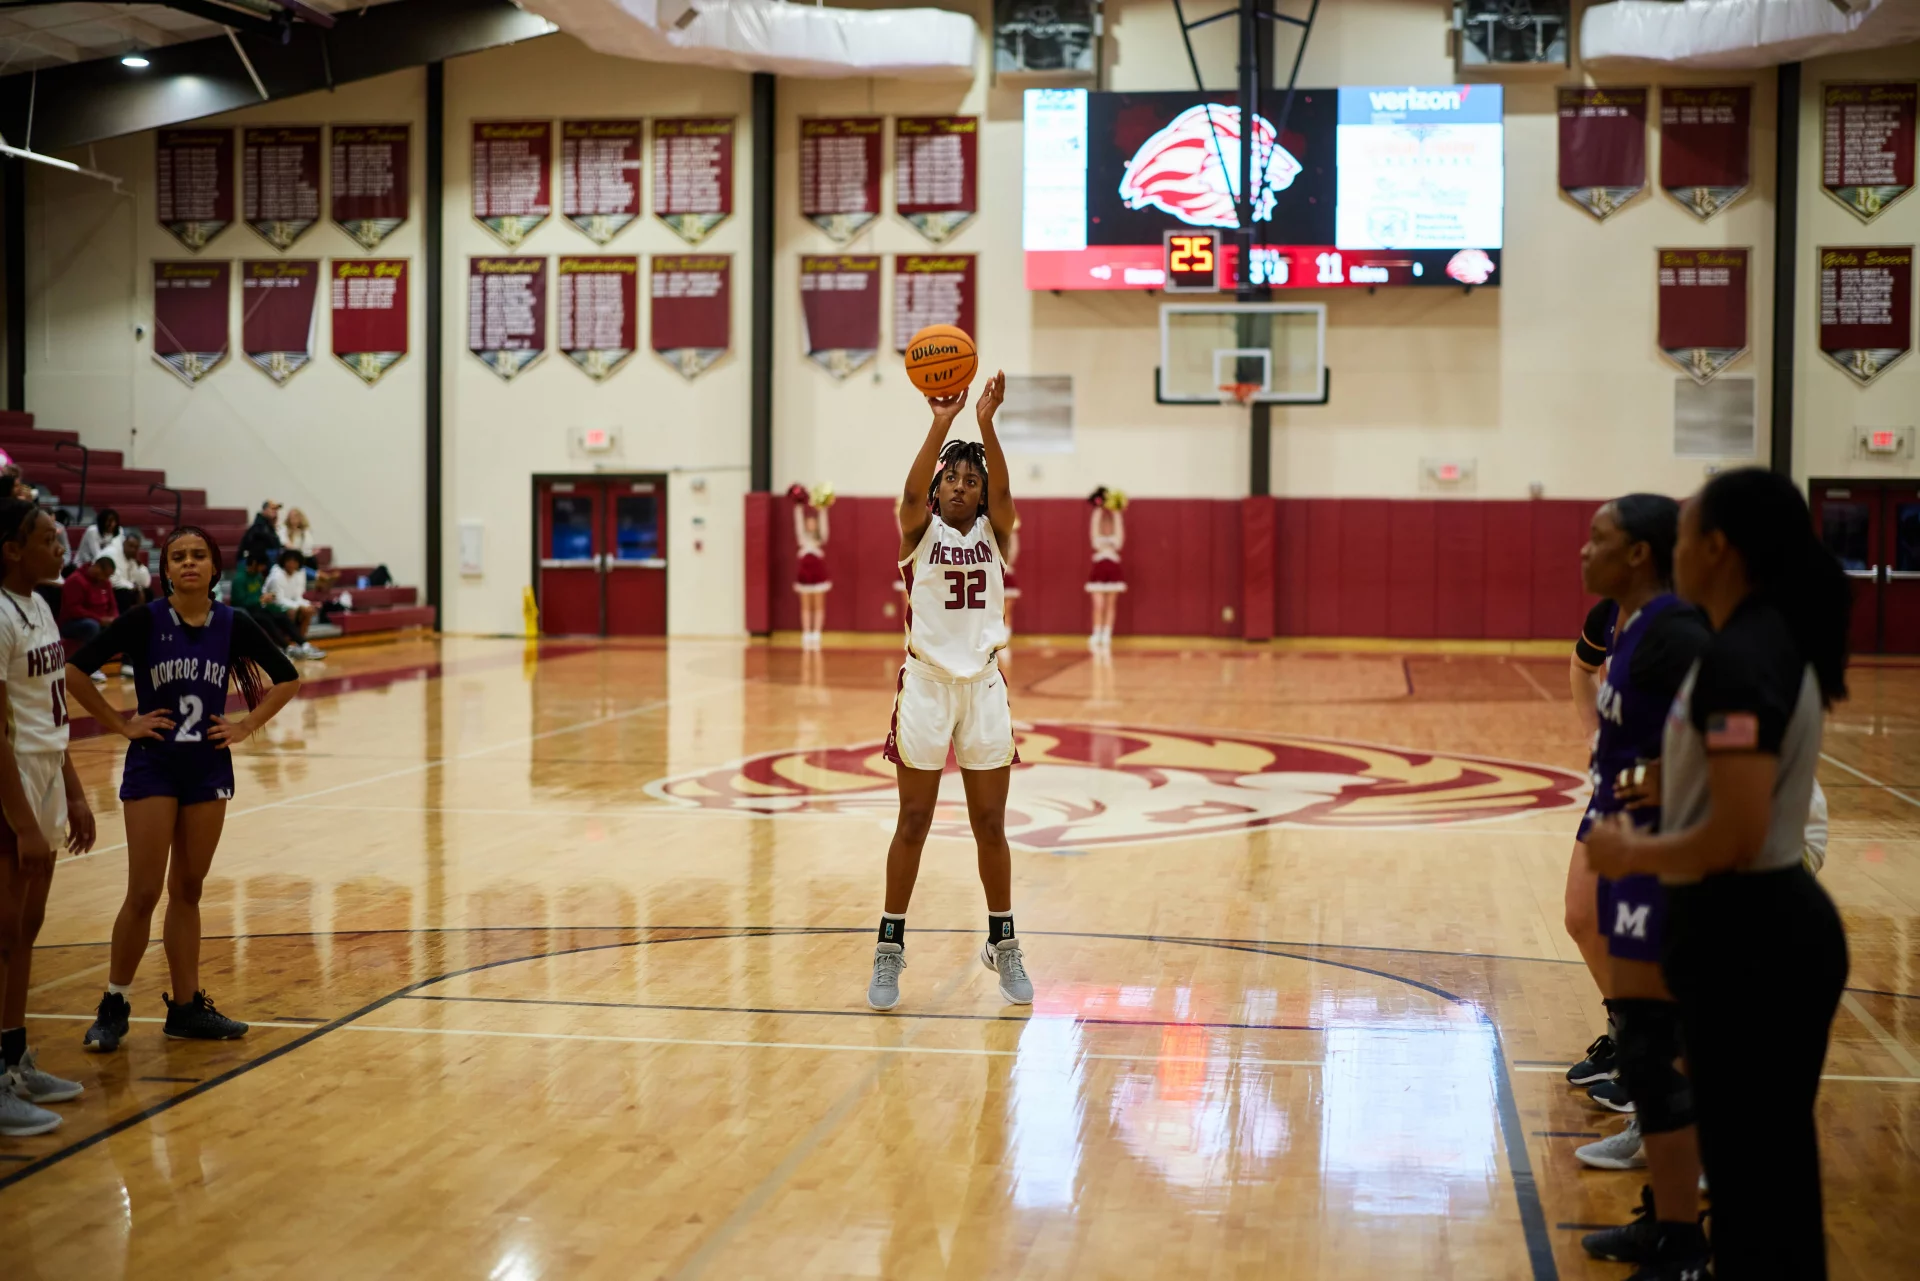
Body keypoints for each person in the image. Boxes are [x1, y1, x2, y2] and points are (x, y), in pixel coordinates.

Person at [1586, 468, 1851, 1281]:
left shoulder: (1739, 657)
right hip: (1757, 922)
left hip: (1758, 927)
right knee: (1757, 1175)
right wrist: (1647, 782)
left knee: (1758, 1180)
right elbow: (1718, 774)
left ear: (1718, 549)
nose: (1676, 548)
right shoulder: (1752, 641)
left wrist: (1633, 853)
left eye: (1688, 531)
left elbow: (1736, 833)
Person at [1555, 497, 1714, 1281]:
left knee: (1670, 1036)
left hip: (1675, 843)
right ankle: (1673, 1222)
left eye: (1600, 539)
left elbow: (1733, 737)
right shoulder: (1634, 625)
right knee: (1648, 1042)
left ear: (1642, 552)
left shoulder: (1685, 635)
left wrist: (1665, 790)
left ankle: (1686, 1230)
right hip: (1633, 823)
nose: (1584, 551)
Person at [65, 527, 301, 1050]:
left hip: (207, 767)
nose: (189, 563)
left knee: (189, 889)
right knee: (144, 891)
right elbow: (76, 672)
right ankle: (114, 1003)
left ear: (214, 568)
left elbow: (287, 678)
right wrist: (122, 723)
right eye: (178, 557)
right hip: (154, 765)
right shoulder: (145, 619)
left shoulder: (233, 622)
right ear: (166, 569)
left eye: (198, 555)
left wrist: (245, 724)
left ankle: (187, 1007)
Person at [868, 370, 1032, 1013]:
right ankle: (889, 947)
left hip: (984, 687)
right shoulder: (919, 532)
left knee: (990, 824)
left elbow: (1007, 498)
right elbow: (910, 494)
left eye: (972, 480)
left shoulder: (997, 534)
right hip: (928, 688)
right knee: (913, 820)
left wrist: (986, 423)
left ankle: (1003, 939)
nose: (961, 486)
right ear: (938, 489)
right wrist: (942, 421)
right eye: (952, 479)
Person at [0, 499, 96, 1136]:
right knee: (3, 932)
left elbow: (51, 712)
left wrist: (75, 792)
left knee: (26, 930)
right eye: (48, 539)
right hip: (11, 784)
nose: (61, 548)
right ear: (12, 549)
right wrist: (24, 823)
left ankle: (14, 1058)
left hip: (46, 775)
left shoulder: (38, 605)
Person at [229, 549, 298, 651]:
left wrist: (277, 606)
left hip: (258, 608)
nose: (264, 568)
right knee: (266, 619)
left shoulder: (258, 576)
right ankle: (286, 647)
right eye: (262, 565)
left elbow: (260, 596)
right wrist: (260, 600)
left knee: (281, 615)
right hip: (244, 612)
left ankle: (303, 643)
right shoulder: (239, 579)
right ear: (254, 563)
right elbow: (240, 602)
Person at [57, 557, 119, 667]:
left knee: (125, 623)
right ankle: (89, 665)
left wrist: (115, 618)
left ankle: (124, 663)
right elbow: (74, 610)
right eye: (105, 575)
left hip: (99, 621)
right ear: (97, 567)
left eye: (108, 576)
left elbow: (113, 606)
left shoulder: (106, 582)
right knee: (92, 626)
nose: (106, 579)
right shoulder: (75, 580)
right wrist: (99, 619)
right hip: (72, 623)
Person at [791, 486, 831, 651]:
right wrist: (798, 507)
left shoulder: (820, 539)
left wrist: (822, 508)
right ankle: (806, 632)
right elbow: (798, 524)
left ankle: (817, 632)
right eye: (808, 522)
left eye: (813, 522)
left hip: (818, 573)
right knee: (806, 605)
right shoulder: (802, 539)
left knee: (818, 604)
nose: (810, 524)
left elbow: (824, 526)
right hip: (804, 574)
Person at [265, 548, 324, 660]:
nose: (292, 564)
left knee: (308, 611)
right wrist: (298, 606)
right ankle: (286, 647)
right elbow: (278, 600)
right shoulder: (277, 576)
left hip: (290, 604)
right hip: (272, 607)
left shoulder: (300, 574)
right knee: (291, 611)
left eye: (295, 561)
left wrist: (308, 604)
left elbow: (298, 597)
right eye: (289, 561)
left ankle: (301, 646)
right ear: (283, 561)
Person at [1085, 488, 1126, 649]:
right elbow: (1094, 523)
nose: (1107, 526)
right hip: (1099, 571)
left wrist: (1115, 507)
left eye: (1109, 524)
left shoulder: (1116, 538)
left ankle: (1107, 633)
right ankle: (1097, 632)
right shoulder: (1097, 537)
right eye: (1105, 523)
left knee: (1110, 605)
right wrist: (1099, 506)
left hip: (1113, 570)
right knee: (1098, 605)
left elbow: (1119, 525)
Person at [105, 530, 154, 614]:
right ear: (124, 543)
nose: (133, 549)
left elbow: (146, 583)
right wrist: (134, 587)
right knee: (124, 594)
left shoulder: (132, 559)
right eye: (130, 546)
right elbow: (113, 580)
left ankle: (143, 617)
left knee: (148, 592)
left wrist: (139, 565)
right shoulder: (112, 554)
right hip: (111, 590)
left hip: (127, 589)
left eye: (136, 547)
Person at [237, 500, 282, 566]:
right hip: (250, 563)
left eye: (276, 509)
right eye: (272, 509)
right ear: (264, 510)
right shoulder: (259, 527)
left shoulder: (269, 526)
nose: (275, 511)